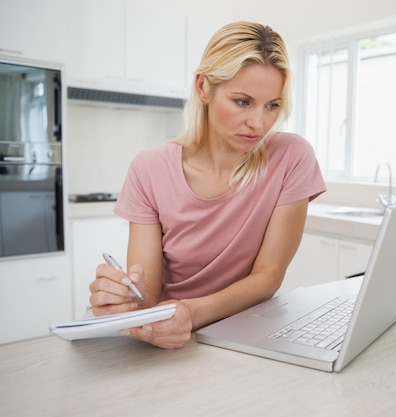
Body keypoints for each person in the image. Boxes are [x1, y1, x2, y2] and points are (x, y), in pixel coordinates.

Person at [88, 21, 326, 349]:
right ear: (203, 87)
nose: (259, 123)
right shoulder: (149, 169)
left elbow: (267, 278)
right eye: (243, 101)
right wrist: (122, 303)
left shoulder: (292, 158)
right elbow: (149, 295)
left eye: (272, 105)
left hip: (245, 337)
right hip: (169, 337)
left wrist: (190, 312)